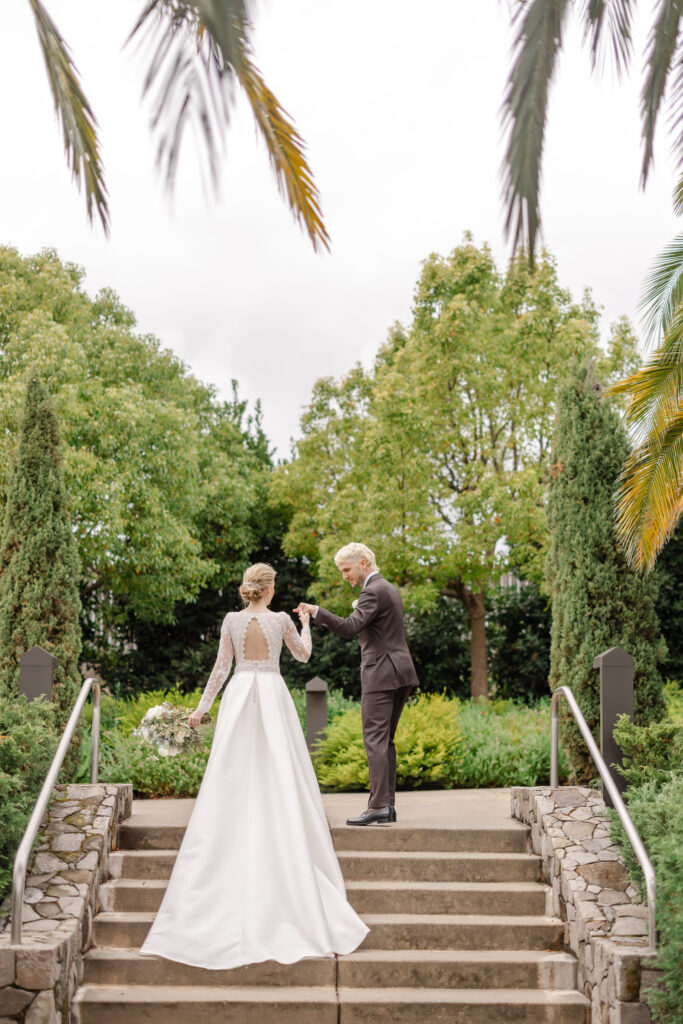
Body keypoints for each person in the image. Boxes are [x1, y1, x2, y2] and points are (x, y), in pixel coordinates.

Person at [140, 562, 368, 970]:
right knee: (282, 771)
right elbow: (303, 656)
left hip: (241, 692)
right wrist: (307, 623)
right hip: (273, 693)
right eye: (275, 585)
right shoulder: (282, 620)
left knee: (232, 773)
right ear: (268, 588)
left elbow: (220, 669)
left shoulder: (231, 620)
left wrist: (200, 710)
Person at [296, 543, 419, 826]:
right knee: (384, 741)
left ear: (364, 564)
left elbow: (351, 628)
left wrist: (317, 612)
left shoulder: (372, 591)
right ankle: (386, 806)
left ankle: (377, 805)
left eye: (347, 570)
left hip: (381, 674)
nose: (345, 576)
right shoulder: (388, 588)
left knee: (374, 740)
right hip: (400, 672)